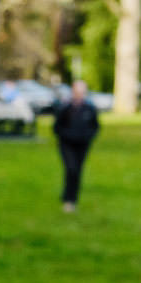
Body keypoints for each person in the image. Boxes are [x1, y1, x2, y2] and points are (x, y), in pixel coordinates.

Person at [52, 79, 100, 212]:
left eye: (82, 92)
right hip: (67, 144)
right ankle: (68, 199)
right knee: (71, 168)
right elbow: (56, 127)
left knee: (77, 170)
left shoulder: (89, 108)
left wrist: (87, 136)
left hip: (82, 145)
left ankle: (72, 198)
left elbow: (95, 126)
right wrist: (67, 135)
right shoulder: (65, 107)